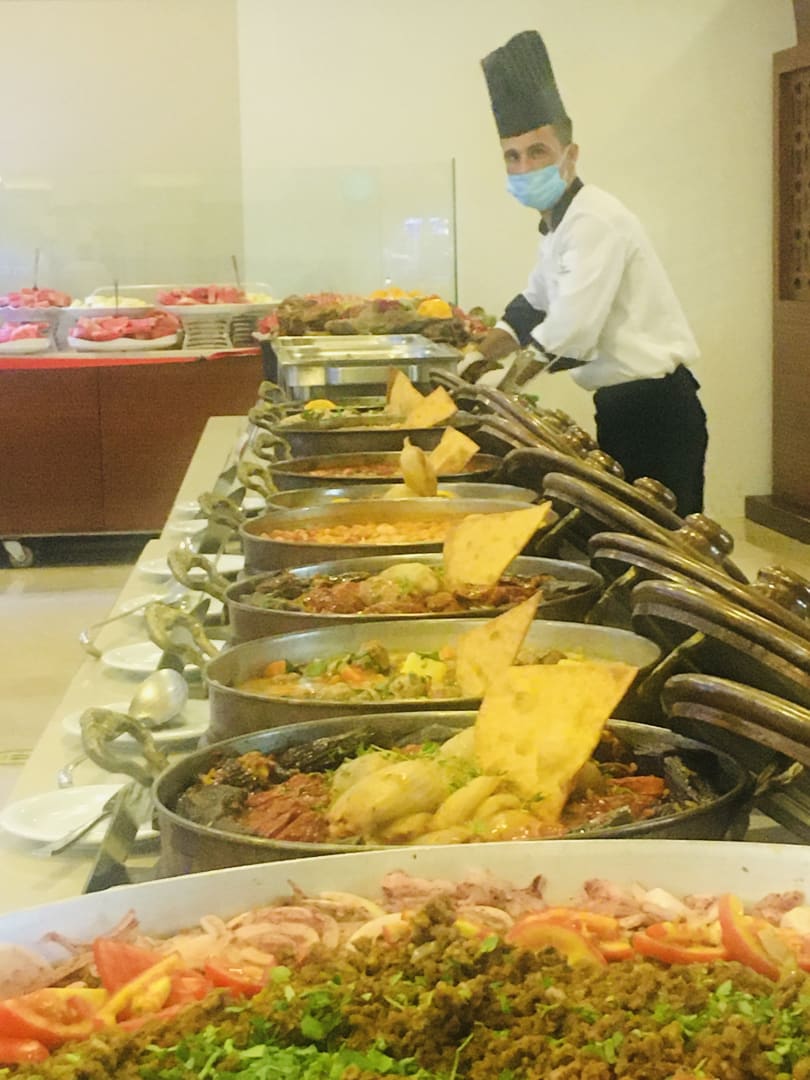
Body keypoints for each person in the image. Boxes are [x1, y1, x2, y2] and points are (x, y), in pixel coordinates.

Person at [461, 29, 708, 516]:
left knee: (661, 537)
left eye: (537, 152)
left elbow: (572, 327)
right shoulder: (560, 224)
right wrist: (477, 358)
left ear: (570, 155)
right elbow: (533, 305)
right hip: (621, 405)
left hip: (656, 408)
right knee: (628, 530)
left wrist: (504, 387)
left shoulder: (595, 219)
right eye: (512, 156)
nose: (524, 166)